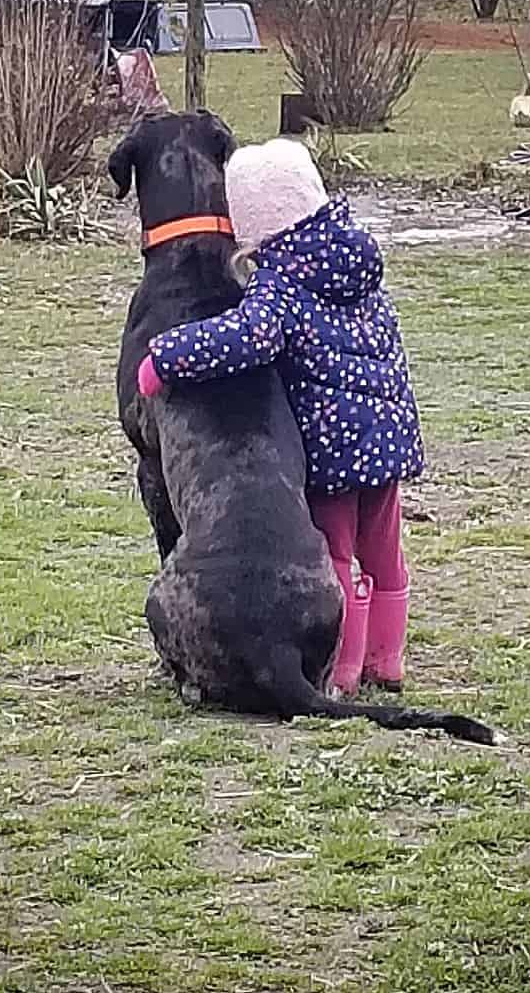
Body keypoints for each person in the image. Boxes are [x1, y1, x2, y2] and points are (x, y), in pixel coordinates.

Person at [136, 138, 424, 696]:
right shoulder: (358, 265)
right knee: (385, 559)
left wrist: (165, 358)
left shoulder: (282, 285)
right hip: (388, 445)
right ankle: (388, 665)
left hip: (335, 454)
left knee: (337, 557)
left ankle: (339, 669)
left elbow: (242, 338)